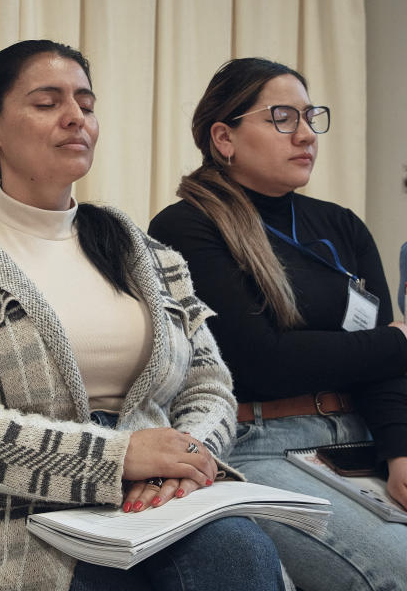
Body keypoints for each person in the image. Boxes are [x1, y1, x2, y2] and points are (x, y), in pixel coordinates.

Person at [0, 40, 285, 591]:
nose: (76, 118)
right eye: (48, 103)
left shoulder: (149, 255)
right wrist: (115, 458)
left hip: (158, 507)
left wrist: (183, 463)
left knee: (240, 554)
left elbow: (208, 384)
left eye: (86, 105)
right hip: (7, 520)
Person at [149, 57, 407, 591]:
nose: (307, 134)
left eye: (311, 117)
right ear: (225, 136)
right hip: (259, 443)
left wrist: (402, 451)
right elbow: (255, 362)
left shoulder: (340, 224)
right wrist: (395, 339)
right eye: (283, 118)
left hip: (361, 437)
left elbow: (385, 368)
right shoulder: (186, 226)